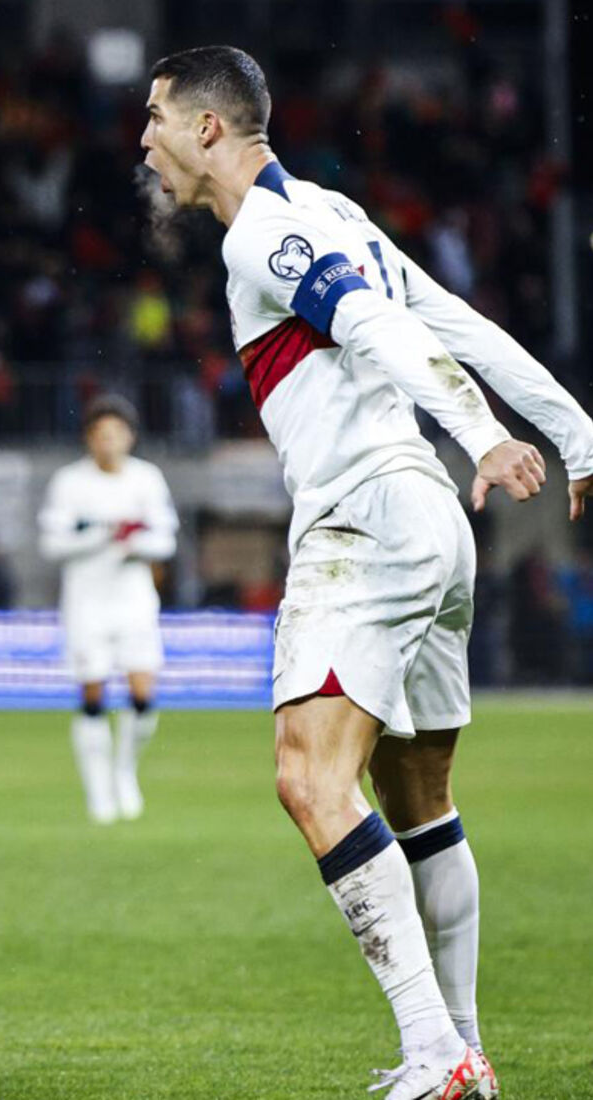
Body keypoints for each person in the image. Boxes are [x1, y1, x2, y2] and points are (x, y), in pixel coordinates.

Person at [140, 46, 593, 1100]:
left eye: (155, 118)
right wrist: (572, 430)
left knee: (309, 778)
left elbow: (384, 327)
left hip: (366, 517)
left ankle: (434, 1050)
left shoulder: (265, 230)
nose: (145, 142)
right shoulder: (332, 213)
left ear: (209, 128)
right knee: (417, 799)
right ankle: (464, 1052)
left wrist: (482, 434)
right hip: (430, 523)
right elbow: (457, 320)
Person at [39, 394, 178, 824]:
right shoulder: (69, 482)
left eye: (117, 434)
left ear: (130, 437)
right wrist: (104, 535)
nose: (109, 441)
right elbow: (52, 544)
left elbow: (166, 540)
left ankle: (124, 772)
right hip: (86, 605)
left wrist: (132, 541)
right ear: (90, 438)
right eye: (102, 434)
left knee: (142, 695)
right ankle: (98, 791)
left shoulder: (147, 479)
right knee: (93, 695)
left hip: (134, 602)